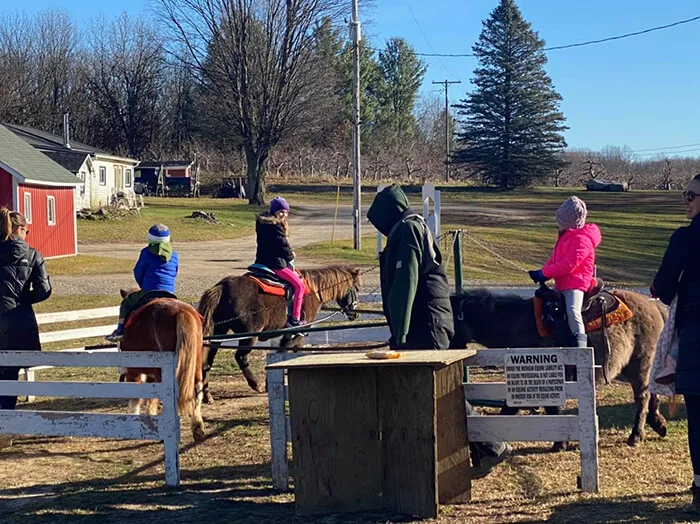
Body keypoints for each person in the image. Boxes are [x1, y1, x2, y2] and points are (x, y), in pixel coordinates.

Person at [367, 184, 511, 479]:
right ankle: (477, 449)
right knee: (433, 392)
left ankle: (491, 445)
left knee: (439, 392)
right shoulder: (415, 226)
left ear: (388, 215)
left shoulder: (406, 231)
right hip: (430, 322)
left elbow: (405, 284)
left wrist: (401, 334)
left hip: (425, 325)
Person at [651, 174, 700, 516]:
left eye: (691, 195)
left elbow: (662, 287)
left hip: (697, 333)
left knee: (699, 418)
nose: (686, 200)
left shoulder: (686, 238)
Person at [0, 207, 52, 449]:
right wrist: (21, 300)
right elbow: (44, 291)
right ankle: (6, 427)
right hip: (19, 321)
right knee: (11, 374)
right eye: (27, 230)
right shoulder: (32, 255)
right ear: (20, 229)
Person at [529, 196, 601, 348]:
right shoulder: (566, 237)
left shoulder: (582, 240)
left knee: (573, 311)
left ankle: (580, 345)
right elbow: (554, 259)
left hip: (576, 283)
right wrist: (542, 271)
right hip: (562, 282)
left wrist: (545, 274)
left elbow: (569, 265)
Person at [107, 224, 179, 341]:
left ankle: (120, 331)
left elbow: (138, 271)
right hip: (169, 292)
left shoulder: (146, 253)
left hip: (149, 291)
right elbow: (174, 272)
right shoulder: (174, 255)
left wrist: (143, 286)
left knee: (126, 304)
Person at [255, 196, 305, 328]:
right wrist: (291, 255)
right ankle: (294, 319)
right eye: (281, 211)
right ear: (274, 212)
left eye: (286, 212)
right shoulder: (276, 227)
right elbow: (283, 247)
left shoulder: (262, 224)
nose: (284, 214)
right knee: (300, 286)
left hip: (262, 261)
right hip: (275, 263)